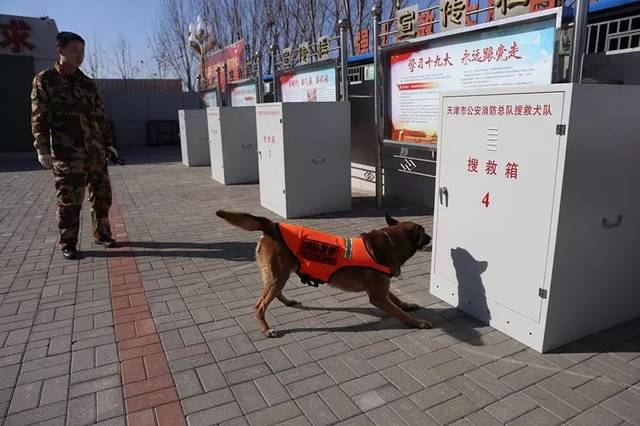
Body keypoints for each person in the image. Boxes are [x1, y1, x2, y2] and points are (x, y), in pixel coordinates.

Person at [31, 31, 117, 259]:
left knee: (102, 195)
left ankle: (103, 233)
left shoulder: (87, 83)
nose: (80, 56)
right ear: (61, 51)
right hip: (68, 153)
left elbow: (100, 116)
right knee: (70, 199)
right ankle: (68, 242)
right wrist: (42, 148)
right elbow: (39, 117)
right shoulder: (45, 80)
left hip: (95, 151)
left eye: (82, 51)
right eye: (74, 50)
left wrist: (109, 145)